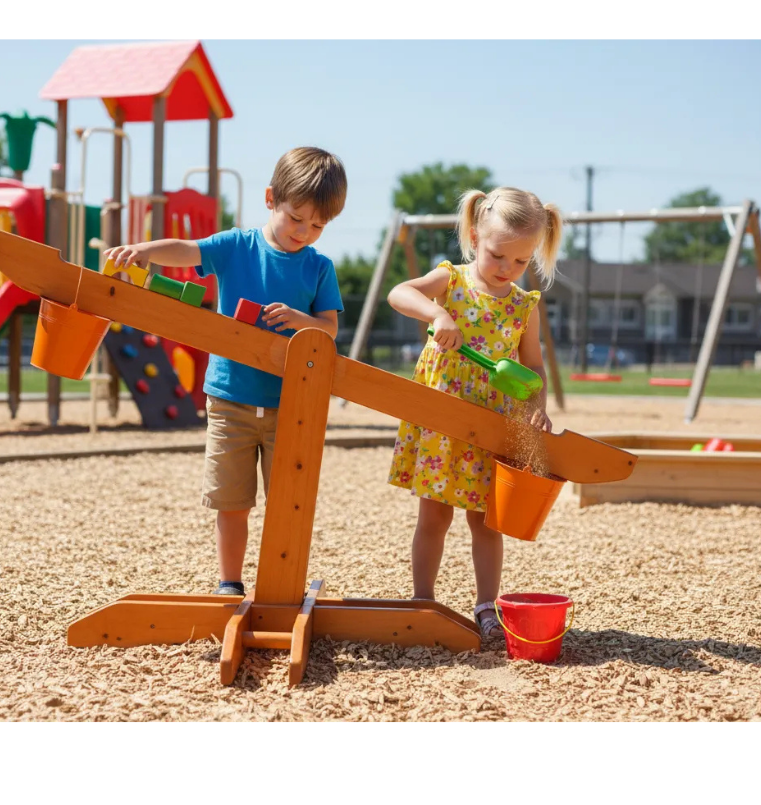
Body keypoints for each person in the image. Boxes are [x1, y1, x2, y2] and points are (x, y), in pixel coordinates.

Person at [104, 147, 346, 597]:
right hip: (230, 398)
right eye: (297, 218)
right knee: (230, 501)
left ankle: (281, 588)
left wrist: (301, 320)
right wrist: (143, 252)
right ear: (271, 198)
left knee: (287, 505)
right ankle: (229, 583)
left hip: (290, 404)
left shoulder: (318, 267)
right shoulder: (237, 246)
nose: (305, 232)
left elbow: (329, 330)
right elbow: (187, 250)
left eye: (318, 226)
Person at [386, 186, 562, 637]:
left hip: (490, 427)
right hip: (443, 419)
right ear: (474, 234)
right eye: (497, 255)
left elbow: (533, 370)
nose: (508, 269)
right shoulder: (452, 281)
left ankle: (487, 607)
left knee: (486, 522)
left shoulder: (524, 307)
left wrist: (536, 409)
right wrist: (436, 315)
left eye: (521, 262)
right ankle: (422, 601)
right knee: (434, 517)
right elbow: (399, 293)